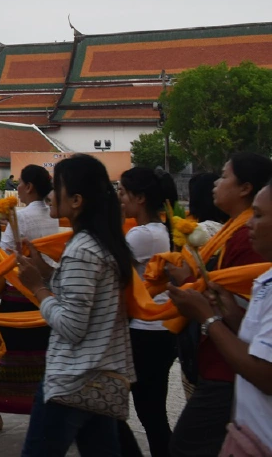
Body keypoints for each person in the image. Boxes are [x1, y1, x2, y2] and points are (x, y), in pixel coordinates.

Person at [16, 153, 136, 456]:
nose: (50, 195)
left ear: (77, 200)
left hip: (72, 379)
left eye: (57, 188)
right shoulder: (100, 242)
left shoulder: (82, 249)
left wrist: (37, 288)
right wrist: (45, 272)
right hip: (97, 375)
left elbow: (72, 325)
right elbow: (83, 299)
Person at [168, 152, 272, 457]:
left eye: (259, 216)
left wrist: (208, 317)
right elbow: (256, 333)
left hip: (228, 372)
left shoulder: (243, 241)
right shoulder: (263, 273)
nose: (250, 223)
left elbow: (266, 373)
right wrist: (230, 313)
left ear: (245, 187)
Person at [0, 164, 59, 429]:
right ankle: (44, 408)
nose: (18, 187)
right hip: (46, 294)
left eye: (21, 183)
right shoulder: (54, 216)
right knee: (41, 355)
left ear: (30, 187)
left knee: (6, 352)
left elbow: (3, 253)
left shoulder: (21, 217)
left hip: (20, 293)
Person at [116, 167, 178, 457]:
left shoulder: (142, 235)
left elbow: (112, 268)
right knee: (151, 411)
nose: (120, 199)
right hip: (158, 330)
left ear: (139, 198)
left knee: (138, 410)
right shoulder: (161, 230)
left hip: (145, 331)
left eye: (123, 193)